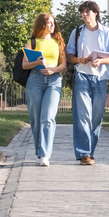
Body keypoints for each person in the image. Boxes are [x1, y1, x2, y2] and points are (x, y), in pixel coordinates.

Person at [66, 1, 109, 165]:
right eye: (82, 12)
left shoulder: (107, 32)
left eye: (88, 11)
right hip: (82, 76)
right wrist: (80, 59)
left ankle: (90, 152)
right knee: (83, 116)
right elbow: (69, 56)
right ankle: (84, 154)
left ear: (96, 13)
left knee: (96, 117)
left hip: (100, 78)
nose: (84, 14)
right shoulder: (77, 32)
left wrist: (101, 62)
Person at [23, 13, 66, 167]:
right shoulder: (32, 42)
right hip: (35, 80)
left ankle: (45, 155)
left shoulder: (58, 42)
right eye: (49, 22)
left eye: (53, 23)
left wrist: (53, 70)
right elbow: (24, 65)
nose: (52, 25)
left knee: (47, 117)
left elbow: (63, 65)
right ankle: (39, 153)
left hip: (54, 81)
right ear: (42, 24)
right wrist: (36, 62)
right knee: (35, 119)